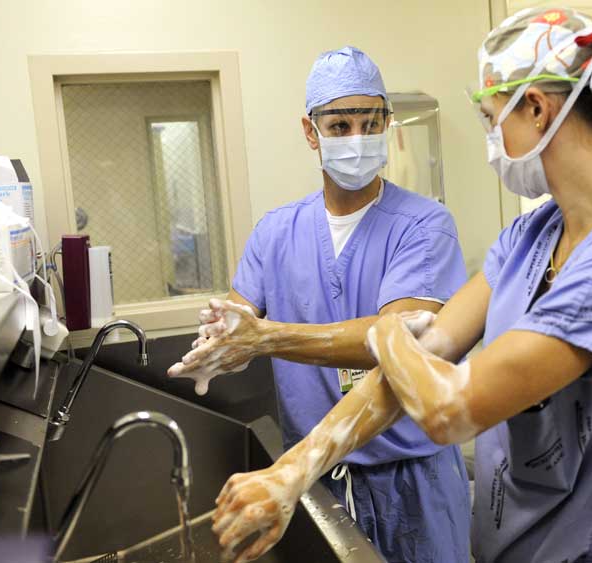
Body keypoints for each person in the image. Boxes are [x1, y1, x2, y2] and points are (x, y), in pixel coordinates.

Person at [208, 9, 592, 563]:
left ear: (536, 108)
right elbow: (423, 355)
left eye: (489, 117)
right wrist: (290, 473)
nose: (491, 139)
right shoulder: (532, 235)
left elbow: (449, 406)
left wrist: (381, 336)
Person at [167, 46, 471, 563]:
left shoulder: (424, 225)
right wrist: (224, 343)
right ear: (311, 133)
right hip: (315, 483)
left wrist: (265, 339)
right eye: (340, 125)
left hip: (411, 483)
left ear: (387, 125)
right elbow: (240, 322)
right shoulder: (276, 231)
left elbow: (399, 339)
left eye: (370, 122)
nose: (357, 138)